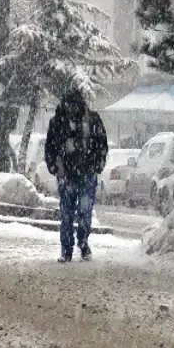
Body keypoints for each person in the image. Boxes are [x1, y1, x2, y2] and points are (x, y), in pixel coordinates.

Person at [44, 90, 108, 262]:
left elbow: (102, 144)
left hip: (87, 173)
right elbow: (50, 147)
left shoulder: (92, 120)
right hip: (66, 174)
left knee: (85, 211)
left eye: (74, 105)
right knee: (67, 213)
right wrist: (54, 166)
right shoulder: (57, 122)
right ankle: (67, 249)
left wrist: (98, 164)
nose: (71, 109)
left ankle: (83, 241)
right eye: (69, 105)